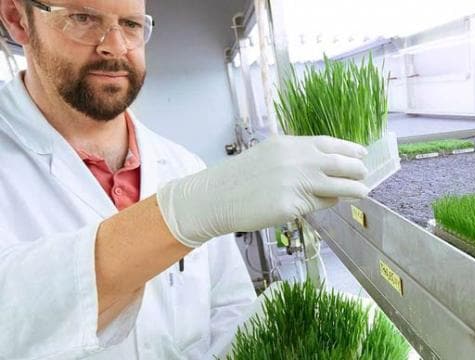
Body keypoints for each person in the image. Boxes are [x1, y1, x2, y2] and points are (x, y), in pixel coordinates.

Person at [0, 0, 370, 358]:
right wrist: (180, 217)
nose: (115, 46)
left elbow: (229, 312)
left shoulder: (182, 165)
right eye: (83, 19)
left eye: (130, 25)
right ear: (17, 18)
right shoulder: (197, 196)